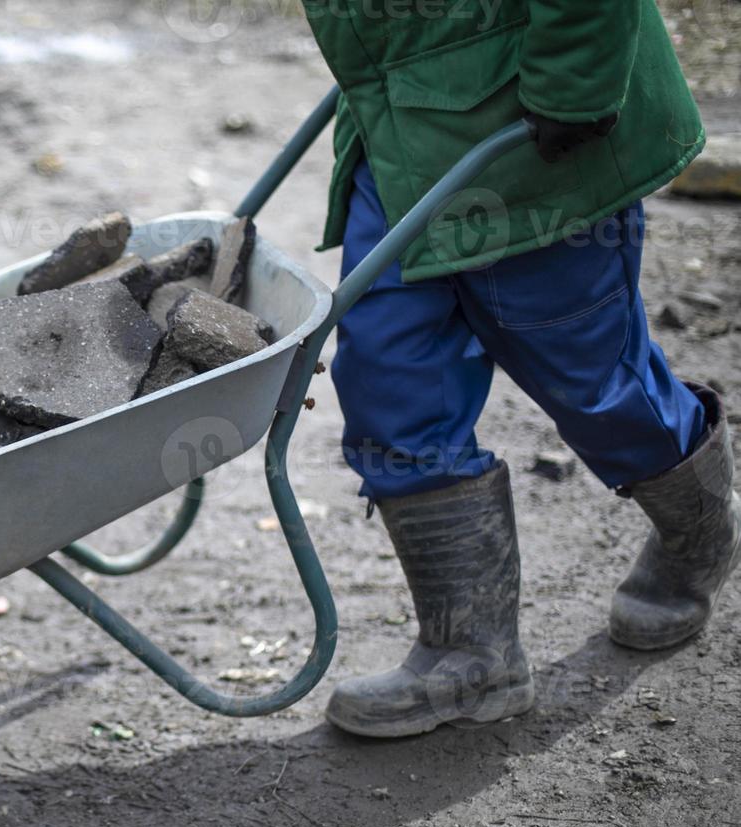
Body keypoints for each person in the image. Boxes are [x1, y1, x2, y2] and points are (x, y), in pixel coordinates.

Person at [298, 0, 741, 737]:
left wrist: (575, 83)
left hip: (534, 137)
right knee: (387, 376)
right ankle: (470, 654)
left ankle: (700, 538)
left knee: (593, 380)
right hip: (404, 138)